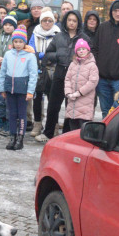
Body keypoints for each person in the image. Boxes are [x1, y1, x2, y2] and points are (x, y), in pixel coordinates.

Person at [41, 9, 83, 141]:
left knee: (71, 106)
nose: (71, 23)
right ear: (65, 21)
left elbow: (89, 55)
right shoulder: (59, 37)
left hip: (75, 75)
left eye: (74, 21)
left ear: (78, 22)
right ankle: (48, 132)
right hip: (59, 73)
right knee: (53, 105)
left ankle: (66, 134)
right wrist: (58, 55)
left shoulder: (83, 38)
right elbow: (48, 54)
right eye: (69, 20)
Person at [0, 28, 37, 150]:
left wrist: (30, 91)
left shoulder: (30, 56)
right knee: (11, 113)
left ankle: (20, 138)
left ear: (24, 42)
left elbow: (33, 74)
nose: (18, 44)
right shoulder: (8, 54)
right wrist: (2, 88)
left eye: (21, 42)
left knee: (22, 114)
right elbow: (3, 71)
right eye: (15, 41)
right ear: (13, 42)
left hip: (23, 90)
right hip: (10, 89)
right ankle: (12, 136)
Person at [30, 8, 59, 138]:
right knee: (37, 98)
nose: (47, 23)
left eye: (50, 20)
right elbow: (31, 50)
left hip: (53, 70)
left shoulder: (58, 34)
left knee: (53, 99)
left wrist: (43, 55)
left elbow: (59, 53)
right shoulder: (35, 33)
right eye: (44, 20)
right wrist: (45, 55)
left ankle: (54, 125)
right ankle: (37, 123)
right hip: (38, 69)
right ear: (41, 21)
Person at [0, 15, 18, 134]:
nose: (8, 27)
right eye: (6, 24)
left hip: (10, 75)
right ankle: (1, 120)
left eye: (10, 25)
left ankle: (9, 123)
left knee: (8, 100)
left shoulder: (16, 40)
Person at [64, 39, 99, 132]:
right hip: (72, 101)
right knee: (72, 128)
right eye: (79, 50)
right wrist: (68, 93)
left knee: (83, 128)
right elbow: (67, 79)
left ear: (88, 50)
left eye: (83, 49)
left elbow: (93, 82)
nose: (81, 51)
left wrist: (79, 93)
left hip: (85, 101)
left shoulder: (92, 65)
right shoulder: (72, 64)